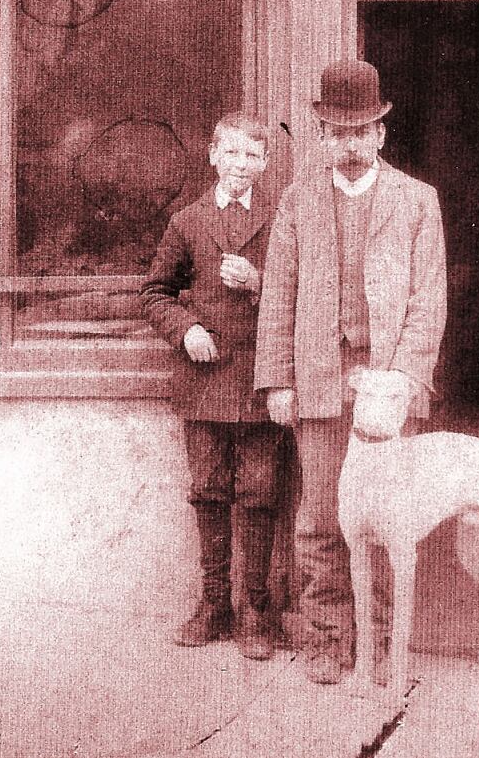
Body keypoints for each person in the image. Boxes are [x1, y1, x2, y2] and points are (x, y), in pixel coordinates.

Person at [254, 59, 447, 684]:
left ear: (381, 134)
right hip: (318, 380)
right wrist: (278, 380)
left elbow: (428, 299)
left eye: (361, 131)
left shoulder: (418, 201)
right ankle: (333, 638)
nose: (350, 143)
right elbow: (278, 295)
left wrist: (408, 381)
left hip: (387, 388)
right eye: (338, 132)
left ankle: (385, 638)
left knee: (388, 517)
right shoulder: (298, 200)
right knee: (319, 517)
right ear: (320, 134)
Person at [140, 113, 282, 660]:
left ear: (265, 164)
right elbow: (153, 292)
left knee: (261, 494)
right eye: (233, 153)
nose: (242, 165)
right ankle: (213, 604)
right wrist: (187, 329)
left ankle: (255, 611)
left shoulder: (280, 219)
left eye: (253, 156)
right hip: (204, 382)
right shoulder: (188, 222)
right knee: (209, 492)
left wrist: (260, 282)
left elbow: (300, 296)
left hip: (260, 380)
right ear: (213, 156)